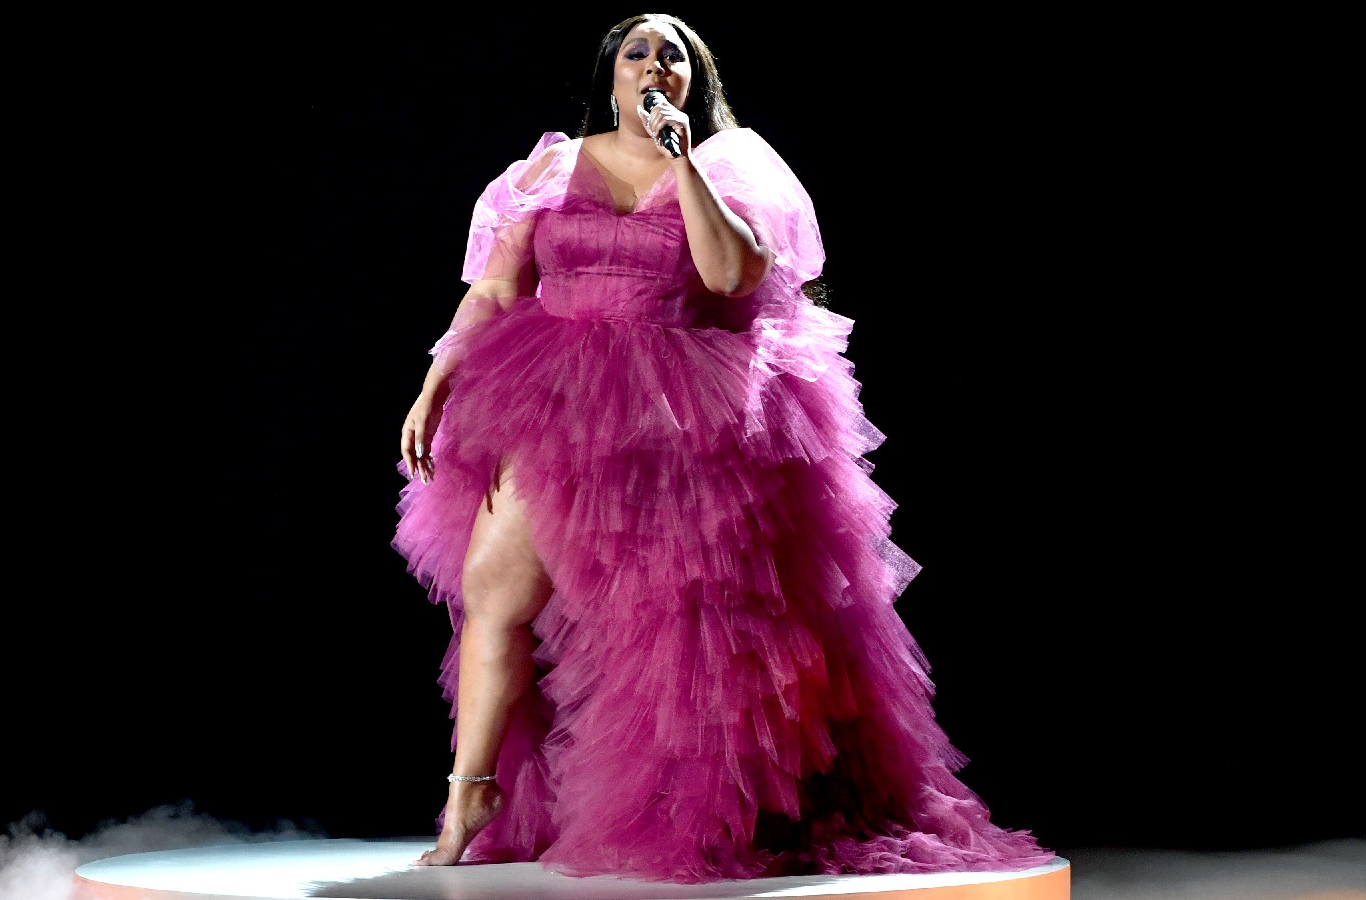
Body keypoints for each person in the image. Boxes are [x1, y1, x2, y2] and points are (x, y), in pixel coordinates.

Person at [392, 12, 1054, 884]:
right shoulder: (551, 165)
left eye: (675, 56)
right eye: (639, 53)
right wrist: (435, 381)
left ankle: (686, 809)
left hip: (678, 414)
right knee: (493, 591)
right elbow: (496, 287)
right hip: (552, 394)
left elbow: (730, 275)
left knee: (676, 627)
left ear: (692, 81)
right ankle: (470, 792)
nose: (655, 66)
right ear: (613, 73)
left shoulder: (731, 164)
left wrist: (683, 162)